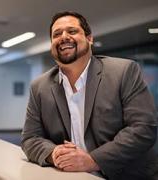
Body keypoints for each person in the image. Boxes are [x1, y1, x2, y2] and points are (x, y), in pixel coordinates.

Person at [21, 11, 158, 180]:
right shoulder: (39, 86)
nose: (63, 37)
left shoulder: (123, 71)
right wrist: (54, 152)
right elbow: (30, 138)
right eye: (57, 34)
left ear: (89, 38)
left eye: (72, 31)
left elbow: (143, 128)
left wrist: (92, 160)